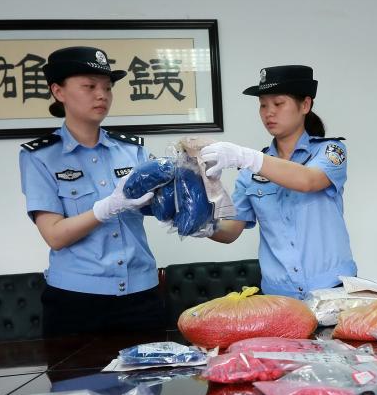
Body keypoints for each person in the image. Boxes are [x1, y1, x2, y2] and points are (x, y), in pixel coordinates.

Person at [19, 46, 164, 337]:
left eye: (107, 88)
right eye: (89, 86)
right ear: (58, 91)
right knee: (75, 370)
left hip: (142, 294)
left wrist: (190, 185)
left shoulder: (132, 150)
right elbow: (55, 235)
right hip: (77, 302)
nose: (102, 95)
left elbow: (158, 207)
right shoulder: (40, 156)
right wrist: (106, 208)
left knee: (152, 368)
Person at [197, 65, 357, 299]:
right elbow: (230, 231)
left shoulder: (329, 151)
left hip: (332, 290)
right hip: (279, 297)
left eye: (278, 103)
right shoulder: (250, 172)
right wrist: (198, 221)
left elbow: (308, 180)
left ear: (305, 105)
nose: (268, 112)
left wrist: (247, 157)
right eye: (263, 105)